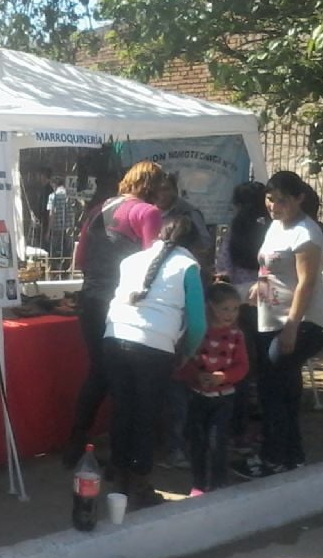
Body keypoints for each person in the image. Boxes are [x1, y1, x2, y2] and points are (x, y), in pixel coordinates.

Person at [62, 160, 165, 467]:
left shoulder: (99, 209)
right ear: (153, 186)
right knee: (125, 379)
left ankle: (76, 444)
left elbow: (80, 257)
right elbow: (152, 263)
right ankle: (123, 458)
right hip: (124, 304)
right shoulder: (148, 212)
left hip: (91, 299)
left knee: (100, 372)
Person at [104, 216, 207, 508]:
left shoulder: (131, 261)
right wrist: (185, 354)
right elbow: (198, 324)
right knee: (146, 417)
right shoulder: (188, 266)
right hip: (155, 347)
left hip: (114, 338)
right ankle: (140, 485)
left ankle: (119, 478)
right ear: (193, 243)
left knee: (123, 410)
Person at [233, 171, 323, 479]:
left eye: (282, 201)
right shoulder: (276, 226)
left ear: (299, 198)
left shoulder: (307, 234)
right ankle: (291, 455)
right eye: (270, 199)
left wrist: (291, 326)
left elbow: (306, 283)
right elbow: (270, 270)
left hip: (298, 323)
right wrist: (257, 290)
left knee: (272, 390)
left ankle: (273, 457)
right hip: (269, 318)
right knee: (283, 389)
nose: (274, 206)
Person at [178, 282, 249, 496]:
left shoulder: (236, 335)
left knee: (218, 440)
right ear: (211, 307)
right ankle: (199, 483)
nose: (230, 314)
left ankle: (219, 482)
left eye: (235, 309)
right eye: (225, 308)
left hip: (224, 397)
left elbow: (242, 366)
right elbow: (184, 361)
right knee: (197, 441)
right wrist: (196, 375)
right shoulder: (198, 333)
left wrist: (223, 377)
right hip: (197, 395)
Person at [214, 180, 269, 449]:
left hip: (239, 304)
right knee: (265, 366)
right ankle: (264, 427)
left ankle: (236, 430)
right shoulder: (272, 228)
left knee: (239, 367)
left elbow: (223, 267)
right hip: (267, 301)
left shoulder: (235, 229)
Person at [155, 172, 213, 259]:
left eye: (165, 189)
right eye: (156, 190)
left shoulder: (190, 212)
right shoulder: (148, 211)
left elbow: (205, 244)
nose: (160, 194)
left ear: (175, 190)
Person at [45, 175, 79, 273]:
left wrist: (48, 231)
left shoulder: (52, 196)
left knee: (54, 248)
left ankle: (55, 268)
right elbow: (76, 210)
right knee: (68, 249)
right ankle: (68, 267)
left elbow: (51, 214)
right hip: (69, 227)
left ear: (54, 184)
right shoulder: (71, 196)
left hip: (56, 227)